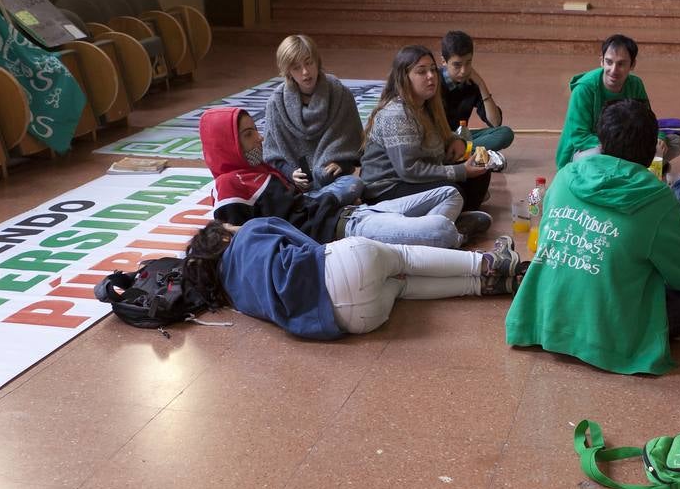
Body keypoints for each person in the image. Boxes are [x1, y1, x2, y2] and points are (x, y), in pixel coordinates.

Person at [506, 100, 680, 375]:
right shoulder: (658, 199)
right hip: (610, 336)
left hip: (545, 319)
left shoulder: (565, 175)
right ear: (651, 153)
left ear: (601, 142)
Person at [200, 106, 492, 248]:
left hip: (346, 210)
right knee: (441, 230)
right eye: (249, 134)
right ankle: (445, 235)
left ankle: (408, 235)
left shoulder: (260, 171)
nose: (260, 138)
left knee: (451, 194)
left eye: (256, 130)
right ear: (226, 143)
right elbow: (231, 239)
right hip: (335, 229)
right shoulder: (229, 185)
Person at [181, 218, 521, 337]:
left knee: (401, 286)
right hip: (341, 266)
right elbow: (310, 245)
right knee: (405, 257)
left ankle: (484, 286)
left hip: (352, 320)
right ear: (224, 237)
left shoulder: (235, 297)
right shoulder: (250, 233)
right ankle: (487, 263)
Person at [361, 45, 492, 209]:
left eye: (433, 70)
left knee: (479, 174)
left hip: (413, 180)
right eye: (421, 72)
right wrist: (460, 171)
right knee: (451, 191)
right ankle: (451, 219)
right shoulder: (397, 114)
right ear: (404, 77)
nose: (431, 76)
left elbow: (440, 138)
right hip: (387, 188)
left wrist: (455, 140)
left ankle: (459, 215)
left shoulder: (426, 104)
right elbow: (409, 170)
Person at [261, 35, 365, 201]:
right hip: (296, 184)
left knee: (354, 184)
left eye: (309, 62)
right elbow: (272, 154)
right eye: (296, 67)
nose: (305, 72)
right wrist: (290, 173)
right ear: (287, 71)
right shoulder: (276, 102)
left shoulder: (340, 93)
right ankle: (319, 204)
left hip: (333, 181)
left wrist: (341, 164)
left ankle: (311, 205)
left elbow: (355, 144)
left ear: (317, 61)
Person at [555, 34, 680, 168]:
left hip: (625, 145)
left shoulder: (636, 84)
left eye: (621, 64)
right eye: (609, 62)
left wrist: (659, 137)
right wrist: (616, 148)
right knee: (598, 156)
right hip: (594, 148)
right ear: (601, 61)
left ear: (632, 65)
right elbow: (579, 136)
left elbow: (647, 121)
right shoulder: (584, 89)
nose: (614, 70)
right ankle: (630, 168)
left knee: (674, 143)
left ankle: (623, 168)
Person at [439, 30, 512, 165]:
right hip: (438, 140)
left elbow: (495, 123)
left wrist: (481, 85)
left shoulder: (471, 83)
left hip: (460, 138)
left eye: (468, 63)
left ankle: (457, 154)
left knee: (505, 134)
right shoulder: (433, 81)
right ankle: (459, 154)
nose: (464, 70)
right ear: (444, 61)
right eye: (457, 65)